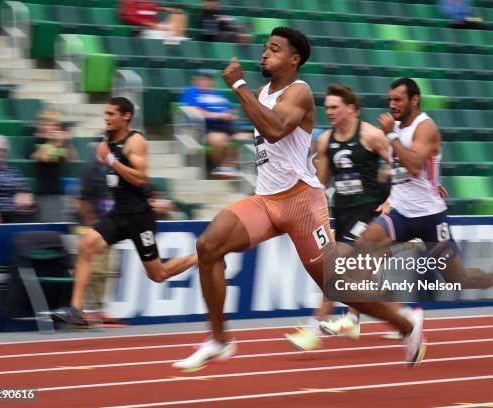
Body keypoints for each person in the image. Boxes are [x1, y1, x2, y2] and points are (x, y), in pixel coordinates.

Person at [172, 28, 425, 370]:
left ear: (294, 59)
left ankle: (407, 325)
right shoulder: (262, 92)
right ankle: (219, 340)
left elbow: (276, 129)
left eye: (274, 49)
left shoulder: (300, 91)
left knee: (338, 287)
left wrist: (237, 86)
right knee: (208, 246)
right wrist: (246, 92)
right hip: (266, 200)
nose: (264, 54)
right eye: (264, 48)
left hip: (301, 203)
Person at [349, 78, 493, 308]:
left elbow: (413, 165)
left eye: (398, 100)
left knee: (458, 279)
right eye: (390, 100)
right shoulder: (396, 128)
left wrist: (391, 137)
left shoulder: (425, 127)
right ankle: (396, 314)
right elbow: (399, 169)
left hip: (429, 217)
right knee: (364, 245)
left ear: (415, 100)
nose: (392, 105)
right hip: (400, 212)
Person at [51, 97, 198, 325]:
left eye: (111, 114)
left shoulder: (136, 141)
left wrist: (113, 162)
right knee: (85, 247)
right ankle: (76, 309)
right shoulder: (105, 142)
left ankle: (203, 256)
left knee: (157, 275)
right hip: (119, 214)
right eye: (106, 113)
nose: (106, 117)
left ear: (126, 116)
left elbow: (140, 179)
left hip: (140, 217)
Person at [284, 84, 394, 350]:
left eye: (335, 107)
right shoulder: (325, 141)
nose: (329, 112)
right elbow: (322, 181)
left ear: (350, 109)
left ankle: (313, 330)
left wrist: (391, 200)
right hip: (341, 212)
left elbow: (398, 163)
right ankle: (401, 317)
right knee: (359, 278)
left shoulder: (371, 135)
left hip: (367, 211)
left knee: (335, 268)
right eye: (327, 108)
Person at [180, 68, 252, 178]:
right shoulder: (192, 91)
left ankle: (226, 167)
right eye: (204, 79)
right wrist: (218, 115)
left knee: (247, 137)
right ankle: (223, 167)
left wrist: (231, 114)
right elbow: (192, 109)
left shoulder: (218, 94)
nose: (207, 81)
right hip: (206, 127)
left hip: (227, 125)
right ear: (196, 80)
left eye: (210, 79)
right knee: (219, 139)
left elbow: (230, 109)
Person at [30, 110, 78, 223]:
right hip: (43, 191)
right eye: (48, 123)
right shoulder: (34, 140)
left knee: (59, 224)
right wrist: (52, 141)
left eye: (54, 124)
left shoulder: (58, 142)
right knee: (48, 224)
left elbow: (71, 158)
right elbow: (39, 157)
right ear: (40, 124)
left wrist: (67, 142)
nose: (51, 127)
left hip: (57, 190)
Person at [119, 0, 188, 43]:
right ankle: (173, 40)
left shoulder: (146, 2)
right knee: (166, 33)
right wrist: (153, 25)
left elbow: (151, 7)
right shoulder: (128, 2)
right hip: (144, 30)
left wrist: (166, 9)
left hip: (155, 27)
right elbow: (128, 17)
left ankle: (176, 38)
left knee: (179, 14)